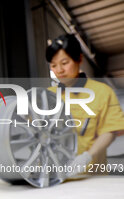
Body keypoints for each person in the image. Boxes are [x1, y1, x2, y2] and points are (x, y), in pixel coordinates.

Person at [46, 34, 124, 175]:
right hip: (55, 177)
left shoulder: (102, 92)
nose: (59, 70)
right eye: (53, 65)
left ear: (79, 59)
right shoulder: (46, 96)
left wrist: (87, 157)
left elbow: (110, 131)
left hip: (92, 177)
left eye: (64, 63)